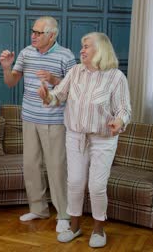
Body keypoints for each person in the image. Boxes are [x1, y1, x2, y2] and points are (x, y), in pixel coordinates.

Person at [38, 32, 131, 248]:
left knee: (97, 186)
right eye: (82, 46)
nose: (82, 50)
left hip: (103, 139)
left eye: (87, 46)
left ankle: (99, 230)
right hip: (75, 136)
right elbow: (57, 96)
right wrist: (47, 96)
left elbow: (124, 109)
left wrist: (119, 121)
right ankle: (75, 226)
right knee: (75, 183)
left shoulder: (116, 77)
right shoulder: (75, 72)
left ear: (101, 50)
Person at [0, 16, 76, 233]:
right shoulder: (26, 53)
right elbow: (11, 82)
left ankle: (63, 214)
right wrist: (7, 68)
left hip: (55, 121)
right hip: (29, 118)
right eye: (32, 31)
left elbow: (75, 89)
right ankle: (39, 208)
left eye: (38, 33)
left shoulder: (66, 56)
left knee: (56, 167)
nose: (33, 35)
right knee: (31, 165)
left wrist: (54, 80)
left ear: (52, 35)